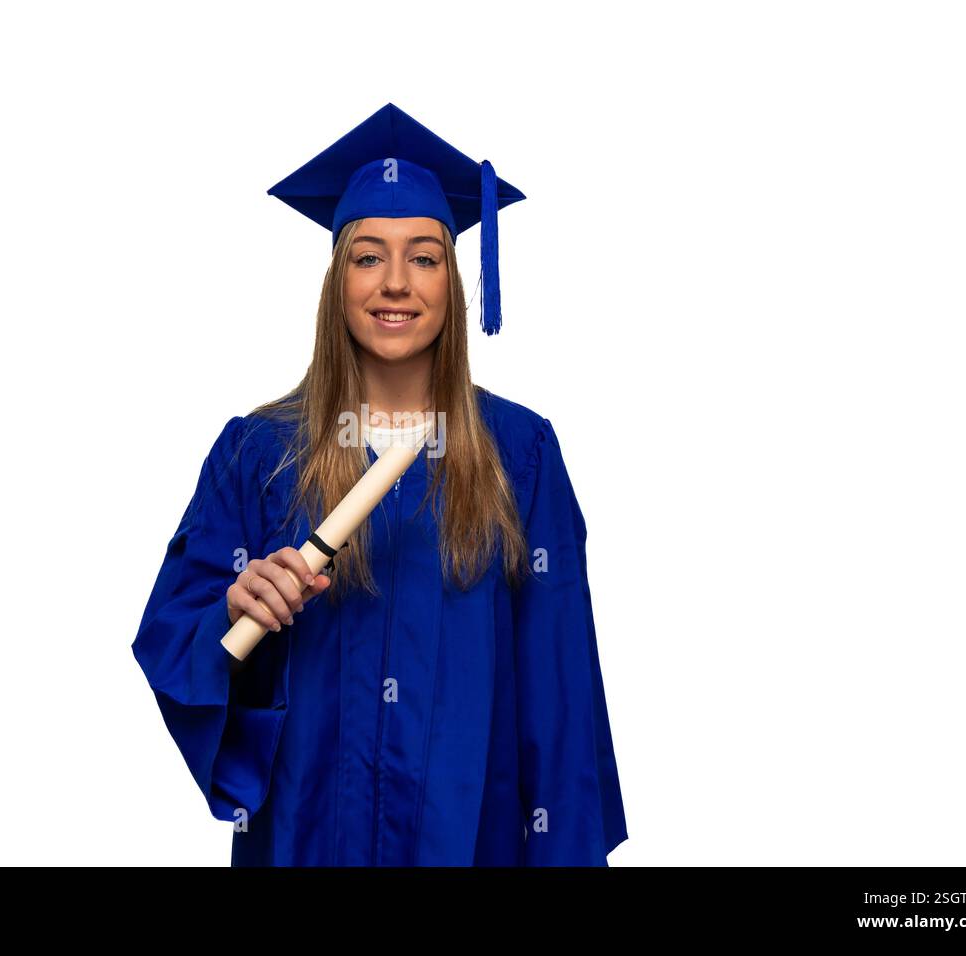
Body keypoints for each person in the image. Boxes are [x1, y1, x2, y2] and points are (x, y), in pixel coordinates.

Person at [131, 103, 628, 866]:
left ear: (453, 279)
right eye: (368, 257)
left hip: (474, 845)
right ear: (337, 279)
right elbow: (175, 640)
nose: (396, 283)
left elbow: (558, 704)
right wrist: (233, 612)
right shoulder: (258, 453)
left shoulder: (519, 455)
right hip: (307, 839)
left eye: (425, 257)